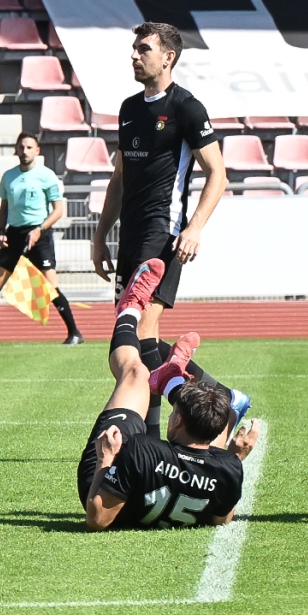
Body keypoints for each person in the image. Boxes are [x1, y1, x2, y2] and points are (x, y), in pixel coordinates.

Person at [90, 21, 228, 429]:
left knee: (139, 334)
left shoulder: (187, 108)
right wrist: (100, 236)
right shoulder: (129, 109)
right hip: (130, 235)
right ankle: (222, 398)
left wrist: (195, 227)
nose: (135, 55)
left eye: (144, 49)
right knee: (137, 340)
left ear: (168, 57)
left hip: (163, 233)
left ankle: (150, 438)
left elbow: (217, 173)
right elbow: (119, 179)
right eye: (134, 48)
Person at [76, 258, 260, 531]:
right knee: (217, 443)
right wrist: (234, 463)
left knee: (135, 373)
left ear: (178, 420)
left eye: (174, 411)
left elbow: (97, 519)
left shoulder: (141, 449)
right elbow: (221, 519)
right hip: (171, 479)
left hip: (105, 495)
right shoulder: (228, 466)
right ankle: (171, 380)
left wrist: (106, 459)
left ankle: (129, 311)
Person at [0, 132, 82, 345]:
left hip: (39, 235)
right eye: (21, 147)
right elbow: (4, 206)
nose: (25, 151)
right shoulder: (9, 177)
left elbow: (58, 210)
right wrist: (0, 231)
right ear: (16, 150)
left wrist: (39, 229)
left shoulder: (47, 176)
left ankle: (74, 332)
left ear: (37, 151)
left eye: (29, 147)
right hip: (14, 234)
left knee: (50, 286)